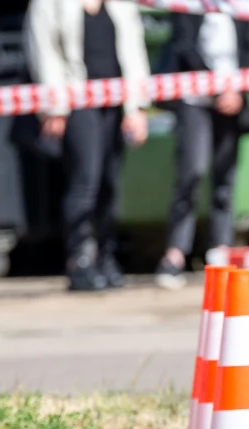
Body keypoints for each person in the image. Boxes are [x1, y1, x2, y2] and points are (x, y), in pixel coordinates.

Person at [25, 0, 151, 292]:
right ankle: (79, 259)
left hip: (117, 102)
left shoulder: (120, 5)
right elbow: (43, 50)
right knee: (85, 181)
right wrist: (54, 107)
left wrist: (137, 107)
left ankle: (106, 256)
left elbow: (134, 52)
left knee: (110, 184)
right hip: (77, 101)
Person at [155, 12, 249, 290]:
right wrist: (216, 88)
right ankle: (175, 253)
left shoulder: (243, 9)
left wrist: (238, 93)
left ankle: (221, 252)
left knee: (225, 178)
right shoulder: (189, 7)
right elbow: (185, 46)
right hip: (196, 99)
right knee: (192, 172)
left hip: (232, 102)